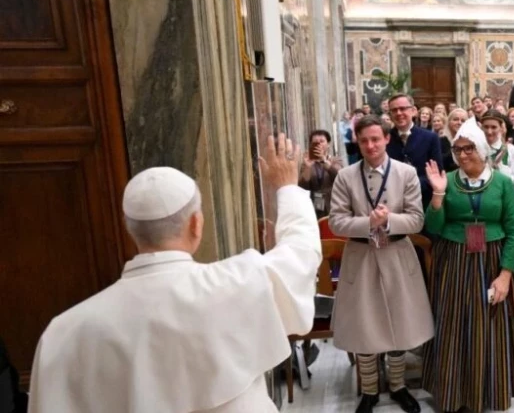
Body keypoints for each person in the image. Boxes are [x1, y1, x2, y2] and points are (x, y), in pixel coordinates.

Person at [28, 135, 320, 413]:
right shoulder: (236, 282)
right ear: (196, 224)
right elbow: (300, 253)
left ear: (130, 230)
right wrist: (287, 187)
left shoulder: (63, 333)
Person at [328, 116, 433, 413]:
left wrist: (388, 220)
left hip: (398, 253)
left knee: (400, 322)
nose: (371, 146)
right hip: (360, 257)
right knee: (365, 325)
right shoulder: (345, 176)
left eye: (376, 139)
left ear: (387, 138)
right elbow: (336, 222)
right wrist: (367, 223)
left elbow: (417, 219)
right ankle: (370, 390)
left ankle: (398, 386)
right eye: (364, 141)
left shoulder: (407, 173)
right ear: (357, 143)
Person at [422, 119, 514, 413]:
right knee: (452, 325)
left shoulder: (503, 182)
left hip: (492, 259)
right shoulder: (447, 179)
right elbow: (434, 227)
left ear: (481, 149)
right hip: (453, 259)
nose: (463, 155)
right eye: (457, 149)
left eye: (469, 148)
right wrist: (438, 195)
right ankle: (454, 394)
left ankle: (488, 392)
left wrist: (505, 276)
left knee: (488, 327)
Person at [385, 94, 444, 207]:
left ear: (413, 111)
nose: (398, 113)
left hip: (422, 200)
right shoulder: (385, 138)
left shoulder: (430, 138)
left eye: (402, 108)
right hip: (392, 203)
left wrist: (412, 185)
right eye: (394, 110)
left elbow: (437, 171)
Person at [299, 129, 341, 217]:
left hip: (333, 202)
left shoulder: (336, 160)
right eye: (315, 142)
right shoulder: (307, 163)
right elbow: (302, 186)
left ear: (328, 144)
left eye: (322, 141)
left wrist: (324, 161)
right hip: (314, 203)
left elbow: (339, 177)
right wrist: (308, 167)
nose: (319, 144)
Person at [481, 109, 514, 178]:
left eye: (494, 127)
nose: (489, 132)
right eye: (486, 127)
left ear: (500, 128)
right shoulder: (476, 148)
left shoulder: (510, 150)